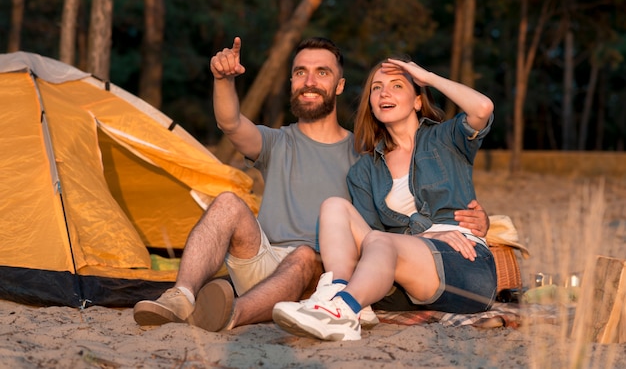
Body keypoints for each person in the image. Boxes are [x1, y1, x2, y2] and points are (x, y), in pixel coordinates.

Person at [133, 39, 490, 332]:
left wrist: (474, 223)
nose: (309, 80)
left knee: (305, 255)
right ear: (291, 83)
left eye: (321, 72)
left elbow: (389, 226)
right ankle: (180, 296)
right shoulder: (285, 145)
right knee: (227, 202)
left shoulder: (365, 152)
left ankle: (233, 314)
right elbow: (229, 123)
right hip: (265, 256)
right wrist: (223, 79)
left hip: (316, 268)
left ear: (338, 86)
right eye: (300, 72)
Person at [272, 57, 497, 341]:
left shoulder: (446, 139)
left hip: (465, 266)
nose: (384, 93)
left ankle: (342, 312)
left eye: (397, 85)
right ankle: (340, 294)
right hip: (405, 275)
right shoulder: (365, 170)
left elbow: (483, 108)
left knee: (381, 240)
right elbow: (370, 242)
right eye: (376, 88)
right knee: (334, 206)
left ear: (417, 101)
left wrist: (427, 77)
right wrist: (424, 237)